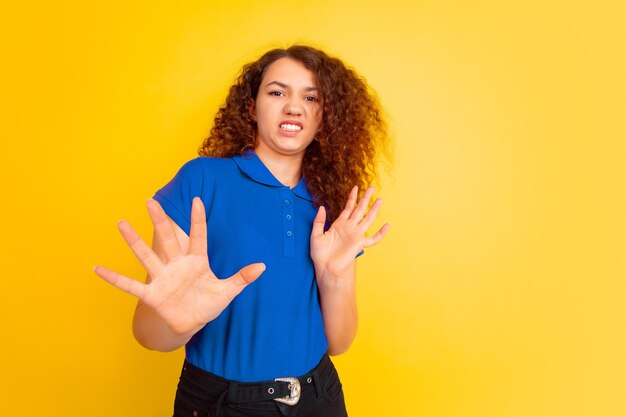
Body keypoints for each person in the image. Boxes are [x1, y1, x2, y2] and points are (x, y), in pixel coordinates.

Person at [94, 44, 390, 417]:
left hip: (320, 396)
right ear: (251, 107)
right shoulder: (202, 179)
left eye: (311, 97)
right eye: (277, 92)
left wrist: (333, 276)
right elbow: (151, 336)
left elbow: (339, 342)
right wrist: (179, 319)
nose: (293, 106)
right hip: (222, 402)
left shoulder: (331, 201)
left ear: (324, 117)